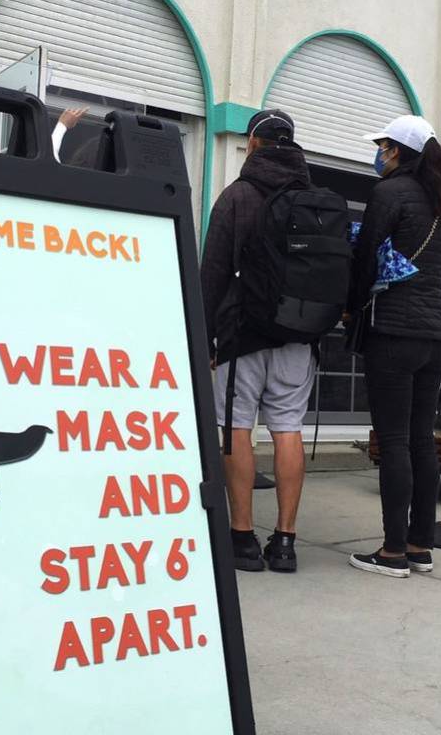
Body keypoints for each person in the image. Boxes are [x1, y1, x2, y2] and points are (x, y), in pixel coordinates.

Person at [345, 115, 441, 579]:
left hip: (392, 330)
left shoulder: (388, 193)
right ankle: (420, 545)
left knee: (393, 440)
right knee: (421, 441)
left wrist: (350, 309)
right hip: (435, 333)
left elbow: (366, 258)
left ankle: (392, 552)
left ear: (395, 151)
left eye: (382, 145)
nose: (379, 152)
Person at [199, 109, 315, 573]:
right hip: (298, 337)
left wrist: (202, 335)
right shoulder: (313, 199)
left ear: (252, 144)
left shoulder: (237, 196)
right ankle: (285, 542)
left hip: (240, 335)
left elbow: (212, 274)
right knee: (288, 430)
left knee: (237, 428)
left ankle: (242, 537)